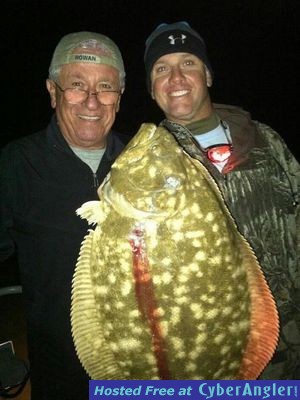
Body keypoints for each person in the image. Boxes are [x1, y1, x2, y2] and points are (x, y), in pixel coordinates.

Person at [143, 21, 300, 379]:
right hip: (207, 360)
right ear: (151, 90)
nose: (176, 77)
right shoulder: (145, 165)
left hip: (290, 355)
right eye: (161, 69)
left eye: (188, 63)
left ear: (208, 76)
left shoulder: (267, 141)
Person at [0, 31, 130, 399]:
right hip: (59, 374)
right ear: (52, 91)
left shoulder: (141, 162)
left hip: (140, 367)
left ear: (119, 98)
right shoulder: (15, 165)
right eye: (76, 85)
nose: (91, 100)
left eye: (105, 86)